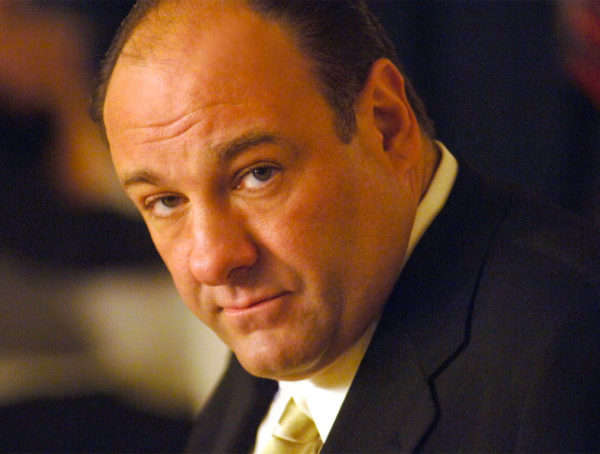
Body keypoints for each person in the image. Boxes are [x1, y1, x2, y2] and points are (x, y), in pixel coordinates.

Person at [93, 0, 600, 452]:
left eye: (258, 174)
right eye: (165, 202)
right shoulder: (291, 322)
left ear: (386, 124)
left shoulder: (571, 354)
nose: (212, 260)